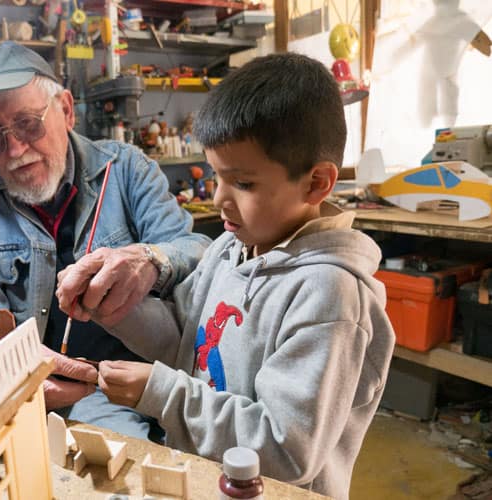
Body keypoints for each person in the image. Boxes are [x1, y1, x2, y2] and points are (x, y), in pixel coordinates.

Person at [60, 53, 395, 500]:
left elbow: (285, 449)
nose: (220, 199)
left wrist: (162, 394)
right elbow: (186, 341)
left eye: (245, 184)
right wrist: (114, 306)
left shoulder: (329, 295)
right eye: (217, 176)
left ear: (316, 184)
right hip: (203, 476)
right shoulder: (228, 250)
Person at [0, 41, 211, 439]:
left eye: (28, 123)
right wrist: (12, 369)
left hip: (139, 381)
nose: (14, 150)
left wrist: (148, 260)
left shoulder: (127, 169)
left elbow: (197, 250)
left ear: (65, 110)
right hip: (40, 395)